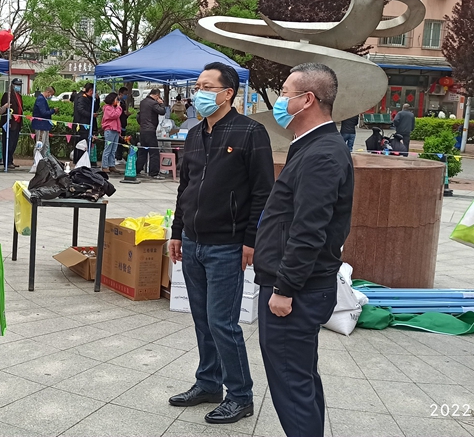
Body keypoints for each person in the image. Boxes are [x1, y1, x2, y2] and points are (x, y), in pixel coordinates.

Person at [168, 62, 274, 424]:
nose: (198, 93)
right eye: (197, 86)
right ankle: (208, 383)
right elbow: (185, 187)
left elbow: (263, 192)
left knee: (222, 322)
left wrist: (251, 240)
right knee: (202, 319)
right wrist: (177, 231)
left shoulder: (250, 132)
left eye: (207, 87)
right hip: (193, 242)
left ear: (228, 93)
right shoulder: (195, 134)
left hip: (227, 245)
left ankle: (240, 395)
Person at [254, 63, 354, 437]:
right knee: (300, 376)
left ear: (307, 99)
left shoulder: (322, 153)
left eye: (284, 93)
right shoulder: (311, 146)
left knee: (292, 384)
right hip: (297, 285)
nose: (280, 100)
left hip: (297, 291)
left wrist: (284, 288)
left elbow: (309, 231)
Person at [136, 88, 166, 179]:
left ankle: (137, 170)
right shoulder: (153, 103)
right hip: (150, 130)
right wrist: (161, 103)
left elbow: (139, 115)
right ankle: (154, 173)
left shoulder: (143, 102)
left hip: (143, 129)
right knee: (154, 152)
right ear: (157, 95)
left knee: (142, 151)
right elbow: (162, 112)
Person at [1, 78, 24, 169]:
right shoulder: (7, 95)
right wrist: (8, 121)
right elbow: (5, 110)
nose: (18, 86)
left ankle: (10, 160)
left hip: (17, 123)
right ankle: (6, 161)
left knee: (13, 143)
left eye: (19, 85)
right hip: (10, 123)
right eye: (17, 85)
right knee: (8, 143)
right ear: (12, 85)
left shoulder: (19, 96)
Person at [73, 83, 98, 164]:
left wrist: (97, 100)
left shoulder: (89, 98)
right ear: (90, 90)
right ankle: (79, 160)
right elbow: (80, 110)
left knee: (86, 143)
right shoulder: (81, 97)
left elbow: (95, 108)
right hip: (82, 124)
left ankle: (84, 160)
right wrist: (91, 115)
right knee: (81, 143)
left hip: (88, 124)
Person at [31, 86, 58, 157]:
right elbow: (43, 113)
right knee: (40, 144)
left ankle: (44, 159)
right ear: (48, 92)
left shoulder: (43, 99)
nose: (51, 96)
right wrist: (53, 110)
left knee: (45, 145)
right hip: (41, 125)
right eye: (51, 95)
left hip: (44, 125)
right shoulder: (40, 99)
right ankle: (37, 160)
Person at [100, 92, 123, 173]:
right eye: (116, 99)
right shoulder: (107, 108)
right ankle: (104, 166)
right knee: (108, 149)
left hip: (115, 130)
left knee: (113, 149)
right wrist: (119, 107)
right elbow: (114, 115)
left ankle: (111, 165)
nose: (117, 101)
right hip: (109, 129)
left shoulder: (114, 107)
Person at [115, 87, 131, 163]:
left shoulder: (123, 101)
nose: (126, 95)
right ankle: (116, 157)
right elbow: (117, 114)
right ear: (120, 93)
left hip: (123, 123)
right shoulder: (117, 102)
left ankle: (119, 157)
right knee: (118, 141)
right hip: (119, 124)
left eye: (127, 94)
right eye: (125, 94)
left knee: (122, 141)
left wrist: (126, 115)